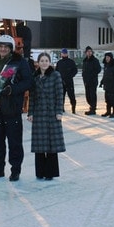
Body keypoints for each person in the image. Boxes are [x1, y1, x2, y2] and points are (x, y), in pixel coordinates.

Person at [0, 34, 34, 181]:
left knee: (14, 142)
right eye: (0, 47)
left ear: (11, 48)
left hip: (12, 108)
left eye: (6, 47)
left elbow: (28, 81)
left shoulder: (19, 62)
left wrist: (13, 89)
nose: (3, 49)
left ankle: (15, 170)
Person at [28, 52, 66, 180]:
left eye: (46, 60)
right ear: (38, 63)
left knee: (50, 145)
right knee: (39, 146)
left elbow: (59, 94)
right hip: (39, 114)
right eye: (41, 60)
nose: (44, 63)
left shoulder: (55, 75)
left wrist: (59, 111)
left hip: (51, 114)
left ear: (49, 62)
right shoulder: (35, 77)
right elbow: (32, 97)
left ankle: (50, 172)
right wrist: (30, 113)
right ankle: (40, 172)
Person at [55, 48, 78, 114]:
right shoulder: (59, 62)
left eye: (65, 53)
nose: (64, 54)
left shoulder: (71, 62)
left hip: (69, 82)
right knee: (61, 96)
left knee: (71, 96)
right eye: (63, 53)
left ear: (67, 54)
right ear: (61, 54)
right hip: (61, 82)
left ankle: (73, 108)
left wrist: (70, 76)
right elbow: (56, 72)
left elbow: (75, 71)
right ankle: (61, 108)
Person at [101, 52, 114, 118]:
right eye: (106, 57)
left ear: (111, 58)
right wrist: (102, 82)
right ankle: (108, 111)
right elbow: (105, 75)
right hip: (107, 86)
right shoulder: (106, 65)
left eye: (108, 57)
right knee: (107, 99)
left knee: (113, 100)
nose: (107, 59)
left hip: (113, 86)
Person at [82, 46, 101, 115]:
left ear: (92, 52)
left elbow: (98, 69)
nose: (89, 53)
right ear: (86, 53)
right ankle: (91, 106)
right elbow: (84, 71)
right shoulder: (85, 61)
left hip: (93, 81)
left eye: (90, 51)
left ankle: (93, 108)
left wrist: (92, 74)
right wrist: (84, 77)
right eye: (88, 52)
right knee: (88, 96)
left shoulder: (95, 60)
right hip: (86, 81)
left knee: (92, 95)